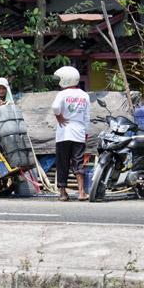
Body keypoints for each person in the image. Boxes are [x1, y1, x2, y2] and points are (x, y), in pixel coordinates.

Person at [51, 66, 90, 201]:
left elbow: (55, 107)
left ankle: (63, 193)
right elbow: (87, 117)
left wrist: (58, 116)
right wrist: (86, 132)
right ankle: (81, 192)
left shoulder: (62, 94)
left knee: (63, 163)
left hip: (63, 133)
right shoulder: (84, 95)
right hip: (79, 132)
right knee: (78, 162)